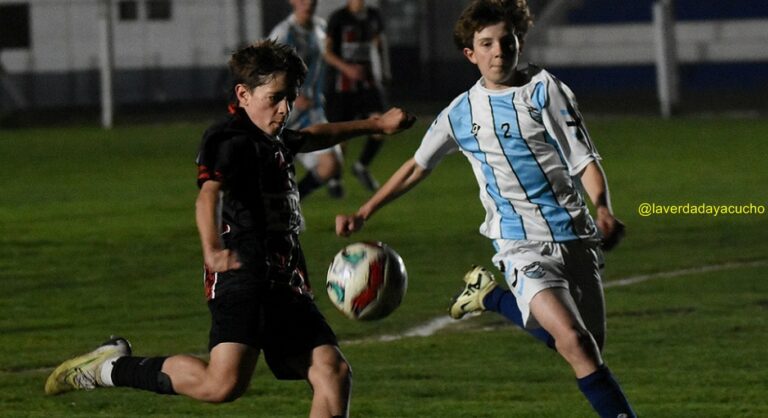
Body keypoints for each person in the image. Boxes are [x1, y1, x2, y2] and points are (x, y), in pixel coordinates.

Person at [44, 39, 415, 417]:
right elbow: (208, 196)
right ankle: (107, 368)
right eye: (276, 97)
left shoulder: (274, 139)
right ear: (244, 94)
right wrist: (211, 250)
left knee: (332, 372)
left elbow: (315, 136)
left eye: (290, 97)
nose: (285, 108)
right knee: (222, 385)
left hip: (287, 280)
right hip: (242, 273)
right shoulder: (229, 139)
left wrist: (377, 125)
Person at [335, 1, 636, 417]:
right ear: (470, 54)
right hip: (519, 242)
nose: (498, 51)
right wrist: (365, 211)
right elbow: (415, 167)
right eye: (486, 44)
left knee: (588, 348)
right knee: (576, 343)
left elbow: (584, 158)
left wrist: (602, 207)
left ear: (519, 42)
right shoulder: (460, 113)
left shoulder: (546, 91)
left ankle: (490, 296)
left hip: (575, 234)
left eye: (506, 41)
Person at [269, 0, 346, 200]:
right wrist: (288, 95)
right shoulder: (284, 33)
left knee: (331, 164)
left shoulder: (321, 27)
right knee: (269, 171)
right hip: (286, 112)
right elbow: (268, 72)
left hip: (312, 110)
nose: (308, 3)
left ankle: (292, 202)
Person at [324, 0, 391, 192]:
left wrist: (384, 70)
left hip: (367, 83)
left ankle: (361, 166)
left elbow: (379, 44)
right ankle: (335, 179)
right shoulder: (338, 18)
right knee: (341, 136)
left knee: (381, 125)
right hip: (342, 85)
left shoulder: (373, 15)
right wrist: (347, 68)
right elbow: (327, 52)